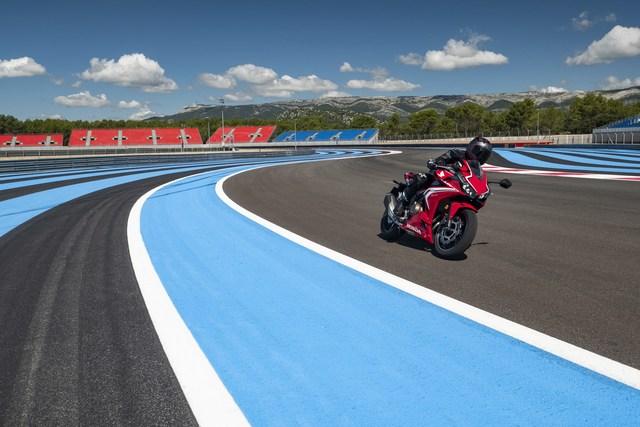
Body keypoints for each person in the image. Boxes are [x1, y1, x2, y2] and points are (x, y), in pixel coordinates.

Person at [398, 136, 492, 210]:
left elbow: (477, 180)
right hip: (440, 177)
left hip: (456, 186)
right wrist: (437, 163)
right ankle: (402, 204)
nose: (480, 156)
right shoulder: (457, 153)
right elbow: (443, 158)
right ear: (471, 148)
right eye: (478, 152)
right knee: (420, 178)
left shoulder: (477, 169)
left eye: (484, 155)